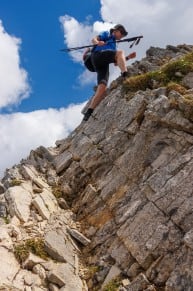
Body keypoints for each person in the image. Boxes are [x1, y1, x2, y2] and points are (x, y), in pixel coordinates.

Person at [83, 24, 136, 121]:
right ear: (116, 30)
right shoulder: (107, 34)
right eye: (122, 33)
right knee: (120, 52)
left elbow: (117, 63)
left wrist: (128, 57)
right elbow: (94, 39)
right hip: (97, 56)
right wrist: (97, 42)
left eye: (124, 35)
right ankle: (125, 75)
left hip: (102, 64)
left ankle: (89, 112)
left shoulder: (114, 45)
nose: (122, 36)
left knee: (102, 87)